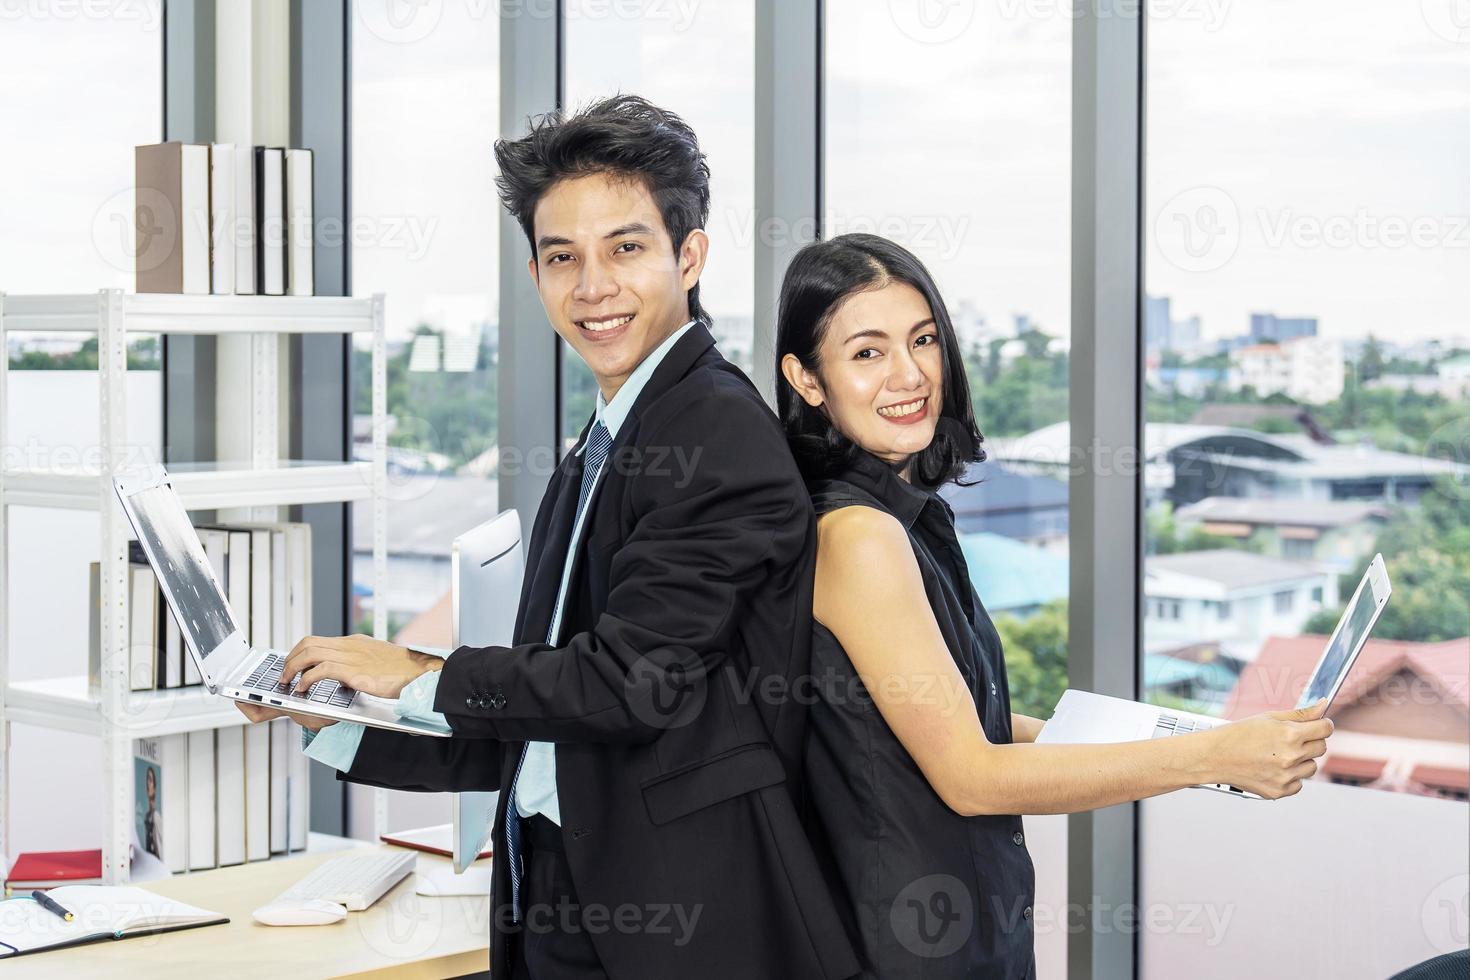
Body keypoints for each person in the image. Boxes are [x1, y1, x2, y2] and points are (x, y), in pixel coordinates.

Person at [236, 96, 858, 980]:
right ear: (535, 276)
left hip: (679, 921)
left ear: (690, 256)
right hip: (565, 899)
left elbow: (628, 687)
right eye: (562, 257)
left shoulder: (716, 431)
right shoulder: (606, 438)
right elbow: (540, 721)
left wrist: (416, 669)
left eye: (626, 248)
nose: (592, 287)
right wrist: (334, 715)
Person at [775, 233, 1335, 979]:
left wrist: (1190, 744)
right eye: (867, 353)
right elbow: (971, 775)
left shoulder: (906, 517)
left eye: (923, 340)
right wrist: (1211, 755)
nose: (910, 375)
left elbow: (943, 716)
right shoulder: (860, 538)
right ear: (807, 379)